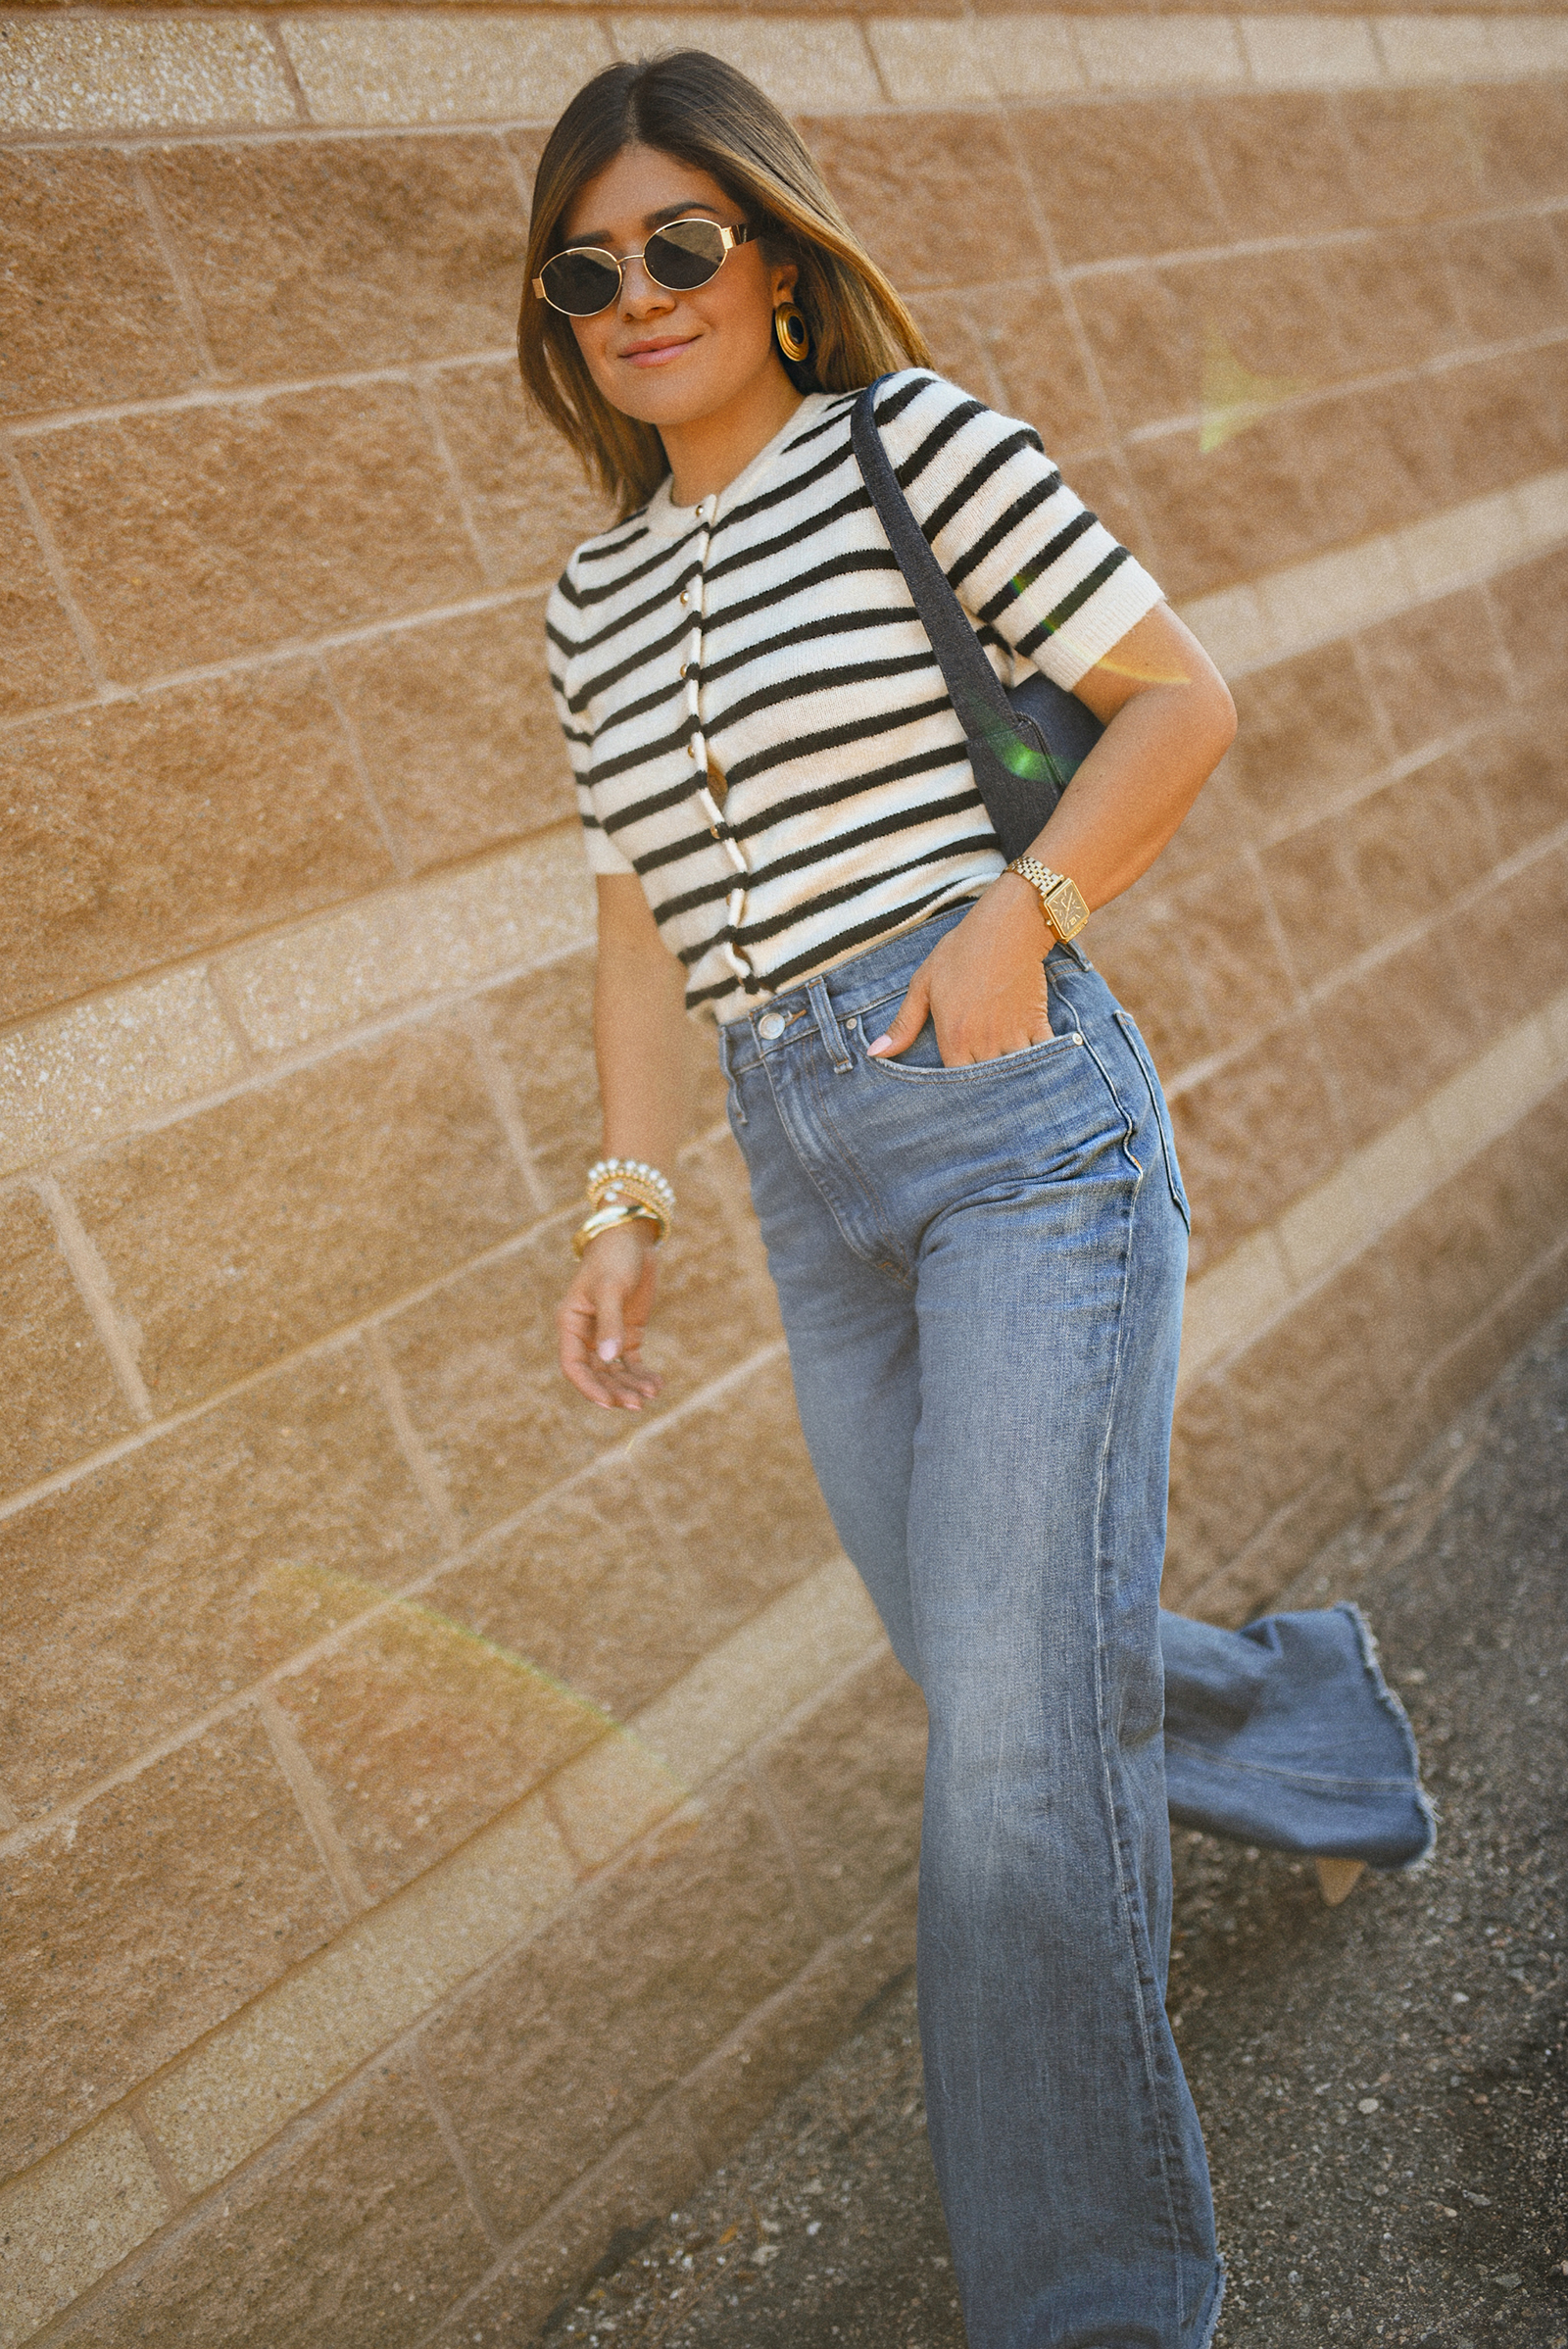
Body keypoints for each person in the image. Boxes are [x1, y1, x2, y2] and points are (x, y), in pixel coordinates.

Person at [521, 52, 1432, 2348]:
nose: (637, 294)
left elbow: (1174, 699)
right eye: (588, 266)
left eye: (680, 245)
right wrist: (621, 1188)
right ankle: (1310, 1722)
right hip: (801, 1166)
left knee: (1006, 1762)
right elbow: (637, 917)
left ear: (772, 249)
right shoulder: (588, 602)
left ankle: (1096, 2299)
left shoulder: (913, 447)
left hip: (1017, 1123)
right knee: (982, 1657)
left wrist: (1011, 913)